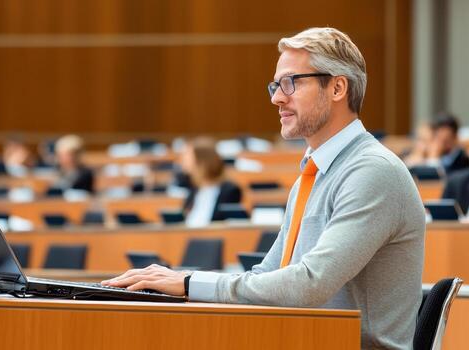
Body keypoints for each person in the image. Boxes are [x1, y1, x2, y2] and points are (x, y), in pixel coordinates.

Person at [103, 27, 425, 349]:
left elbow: (310, 284)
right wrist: (179, 280)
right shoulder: (311, 175)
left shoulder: (372, 171)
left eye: (291, 82)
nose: (277, 98)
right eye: (276, 85)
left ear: (337, 87)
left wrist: (189, 282)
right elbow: (266, 275)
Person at [180, 137, 242, 227]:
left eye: (188, 157)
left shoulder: (229, 191)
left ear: (202, 160)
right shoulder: (194, 190)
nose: (183, 162)